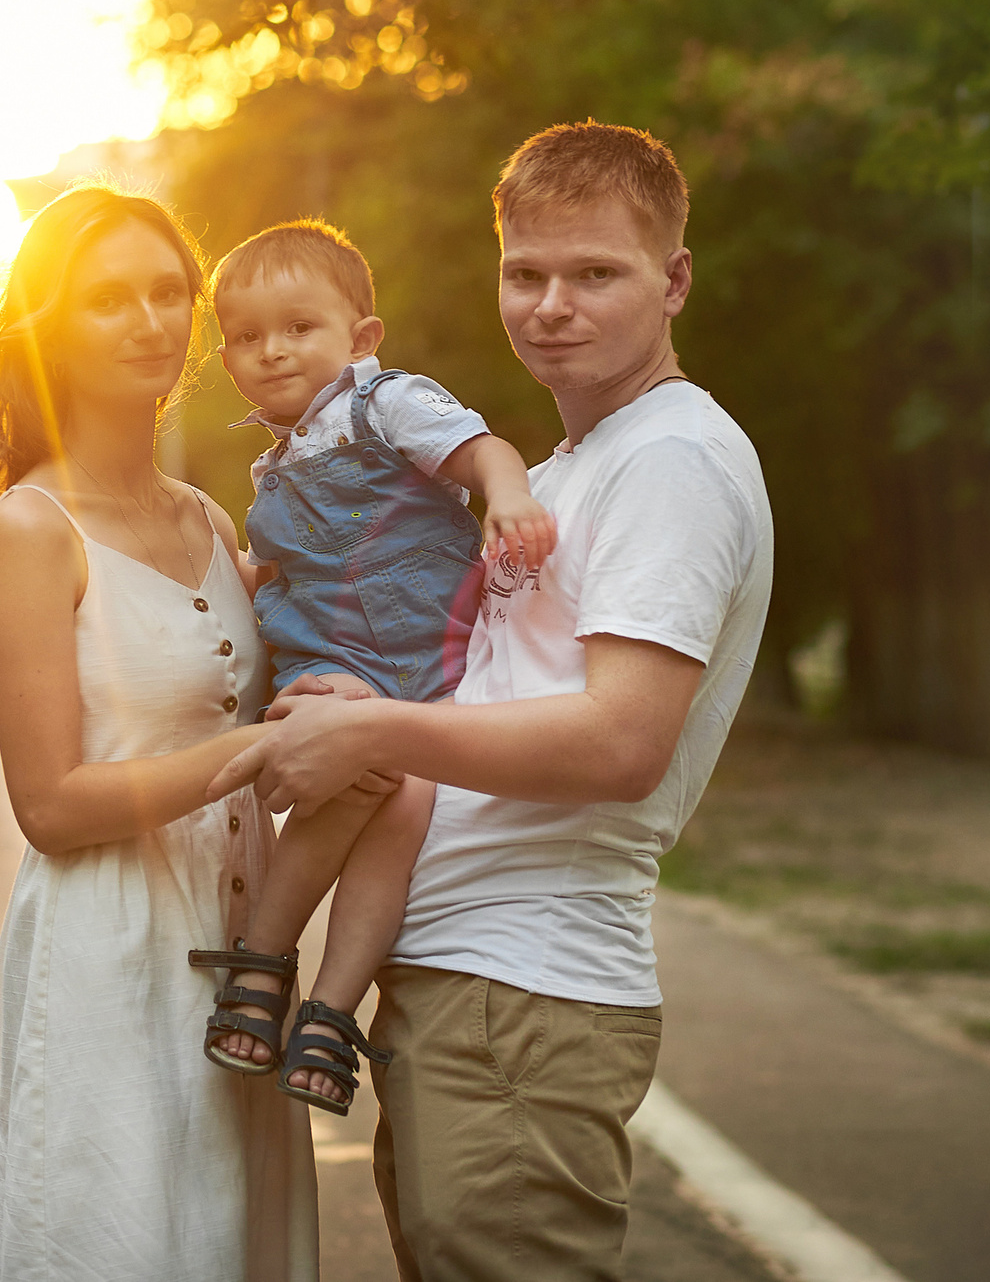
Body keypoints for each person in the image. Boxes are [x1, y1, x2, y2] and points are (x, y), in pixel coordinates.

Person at [209, 123, 775, 1282]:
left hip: (526, 992)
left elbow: (622, 741)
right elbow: (467, 679)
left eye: (595, 273)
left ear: (672, 281)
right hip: (457, 983)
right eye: (526, 273)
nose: (551, 304)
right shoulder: (571, 467)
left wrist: (369, 730)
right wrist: (350, 687)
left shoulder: (670, 461)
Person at [0, 185, 317, 1282]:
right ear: (49, 325)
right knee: (119, 1240)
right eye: (108, 297)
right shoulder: (33, 525)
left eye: (168, 292)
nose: (149, 320)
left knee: (228, 1240)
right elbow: (50, 805)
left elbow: (264, 721)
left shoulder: (210, 517)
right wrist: (248, 753)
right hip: (106, 950)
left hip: (239, 955)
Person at [194, 220, 555, 1118]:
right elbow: (280, 571)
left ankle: (328, 1008)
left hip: (422, 674)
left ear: (360, 338)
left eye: (297, 326)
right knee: (365, 782)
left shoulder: (385, 403)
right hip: (329, 669)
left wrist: (507, 495)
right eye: (245, 336)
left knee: (406, 804)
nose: (270, 350)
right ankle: (267, 963)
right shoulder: (271, 463)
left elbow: (484, 451)